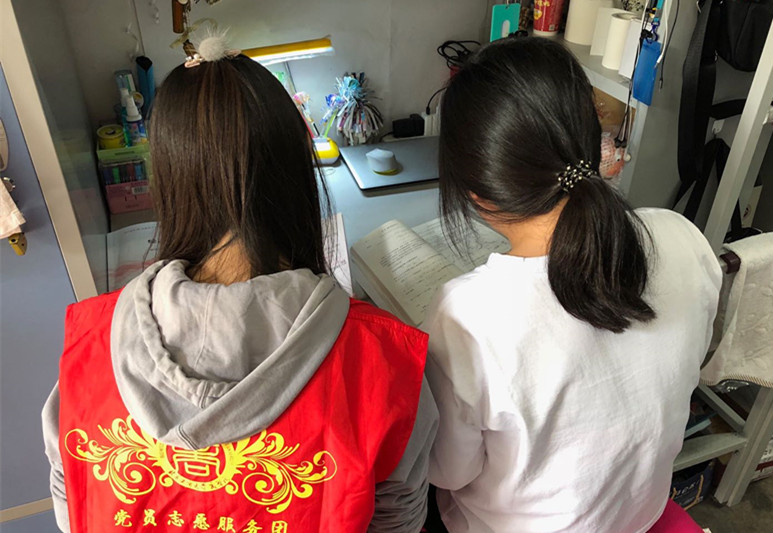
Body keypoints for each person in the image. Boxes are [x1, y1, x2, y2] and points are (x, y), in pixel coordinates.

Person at [42, 36, 437, 533]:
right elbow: (397, 517)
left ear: (169, 181)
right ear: (295, 178)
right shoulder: (383, 360)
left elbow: (72, 501)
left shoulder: (88, 350)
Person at [423, 37, 722, 532]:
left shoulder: (466, 315)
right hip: (639, 513)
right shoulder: (679, 234)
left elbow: (449, 471)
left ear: (476, 191)